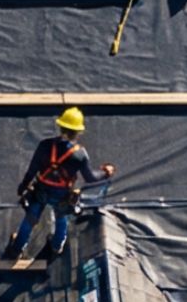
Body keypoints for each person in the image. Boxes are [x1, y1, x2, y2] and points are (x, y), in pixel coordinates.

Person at [7, 107, 114, 261]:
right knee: (61, 218)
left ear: (61, 126)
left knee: (30, 219)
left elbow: (32, 171)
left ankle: (16, 249)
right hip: (62, 194)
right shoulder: (80, 154)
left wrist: (23, 187)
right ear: (78, 131)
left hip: (41, 191)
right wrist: (105, 173)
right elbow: (90, 177)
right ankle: (57, 246)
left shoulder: (45, 146)